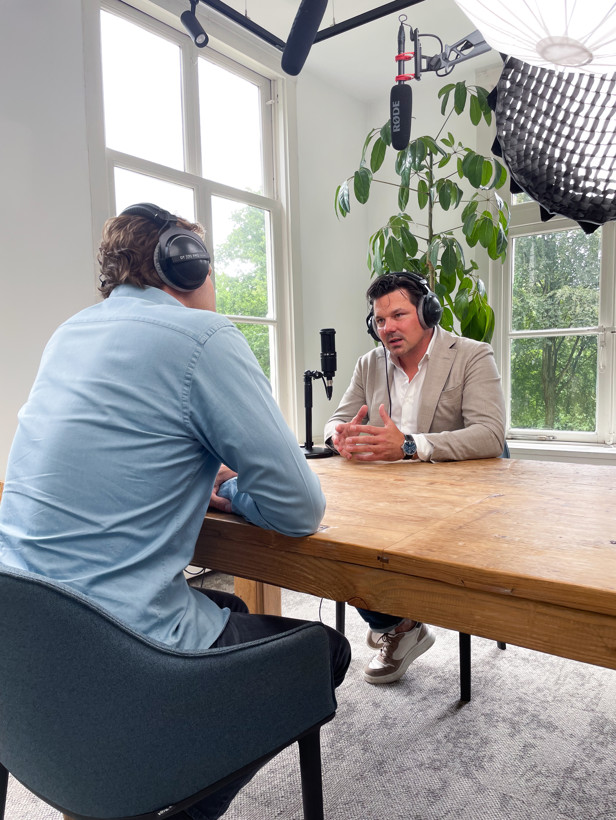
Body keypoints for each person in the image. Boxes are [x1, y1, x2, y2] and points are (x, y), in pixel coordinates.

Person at [0, 203, 350, 820]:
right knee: (325, 648)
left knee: (232, 609)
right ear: (184, 266)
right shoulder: (203, 337)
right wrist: (232, 489)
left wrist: (197, 469)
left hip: (25, 642)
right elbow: (300, 507)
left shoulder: (69, 333)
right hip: (122, 655)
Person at [324, 271, 505, 686]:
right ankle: (399, 623)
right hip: (384, 495)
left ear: (428, 312)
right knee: (333, 537)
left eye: (399, 315)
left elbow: (490, 435)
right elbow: (337, 419)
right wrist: (342, 438)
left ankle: (396, 621)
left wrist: (408, 446)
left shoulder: (472, 355)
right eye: (380, 321)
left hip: (450, 498)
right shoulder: (370, 363)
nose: (388, 328)